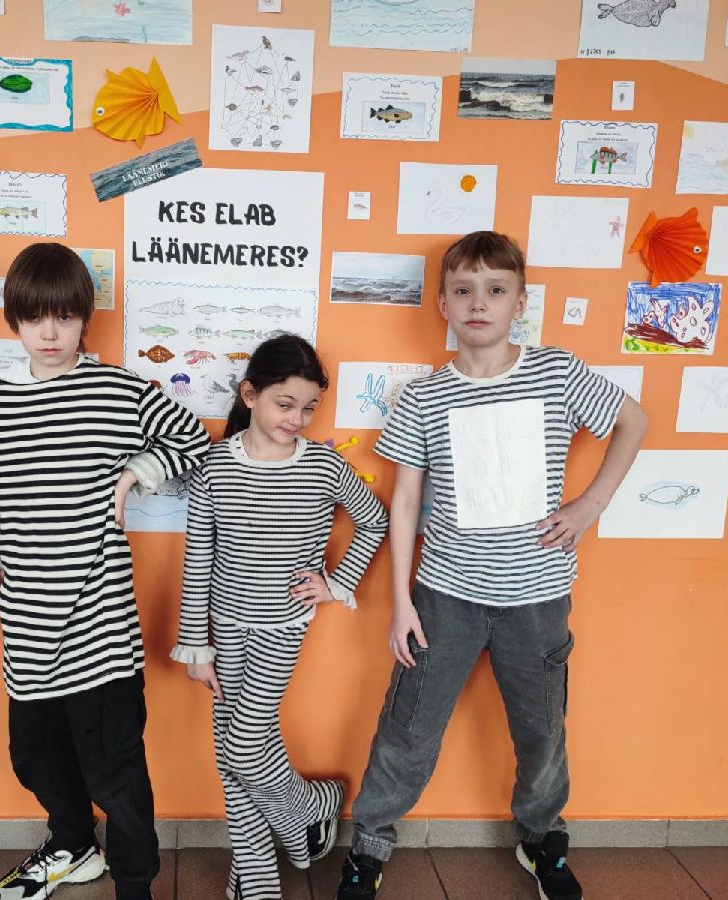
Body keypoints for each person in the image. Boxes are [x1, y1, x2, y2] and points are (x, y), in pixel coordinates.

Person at [336, 231, 648, 900]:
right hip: (444, 596)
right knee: (407, 730)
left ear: (520, 302)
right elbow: (406, 503)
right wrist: (401, 602)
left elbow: (634, 421)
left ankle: (541, 839)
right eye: (464, 290)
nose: (479, 303)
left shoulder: (556, 373)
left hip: (537, 599)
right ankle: (370, 845)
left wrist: (591, 504)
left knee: (541, 734)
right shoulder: (424, 398)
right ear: (443, 304)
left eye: (496, 290)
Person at [0, 243, 210, 900]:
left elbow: (193, 440)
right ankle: (74, 845)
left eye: (64, 316)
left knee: (117, 771)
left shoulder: (118, 390)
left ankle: (135, 883)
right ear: (15, 320)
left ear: (84, 316)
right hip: (27, 622)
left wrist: (135, 472)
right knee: (34, 755)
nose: (50, 332)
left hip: (102, 624)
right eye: (34, 317)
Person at [173, 334, 388, 900]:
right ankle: (258, 877)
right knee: (229, 754)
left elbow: (374, 520)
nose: (298, 418)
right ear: (250, 394)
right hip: (224, 627)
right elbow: (198, 560)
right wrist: (196, 647)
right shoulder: (214, 466)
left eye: (309, 407)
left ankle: (311, 806)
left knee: (244, 747)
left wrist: (335, 583)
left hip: (282, 627)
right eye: (285, 404)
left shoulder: (323, 465)